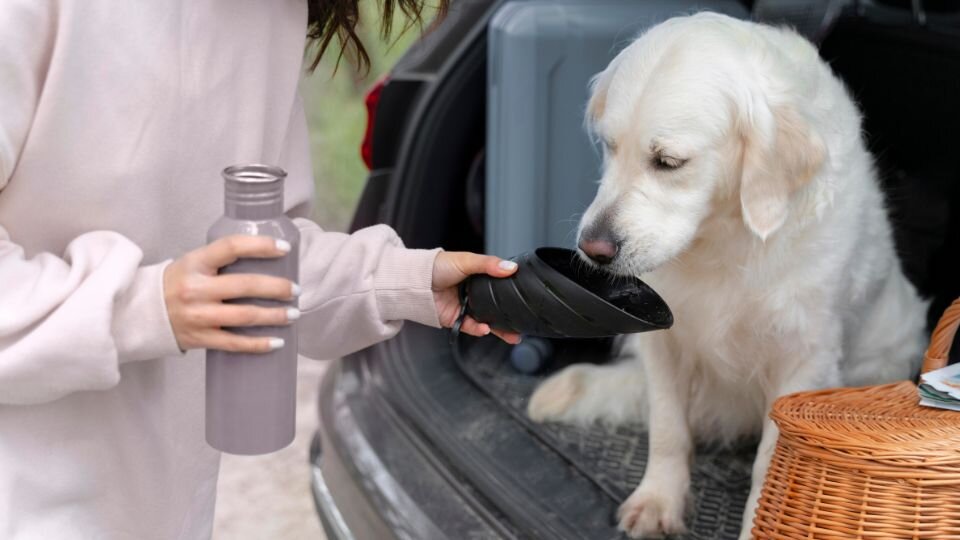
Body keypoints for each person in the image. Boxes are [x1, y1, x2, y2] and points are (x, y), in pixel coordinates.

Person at [0, 1, 519, 537]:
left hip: (164, 508)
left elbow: (263, 252)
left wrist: (406, 281)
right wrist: (144, 307)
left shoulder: (272, 15)